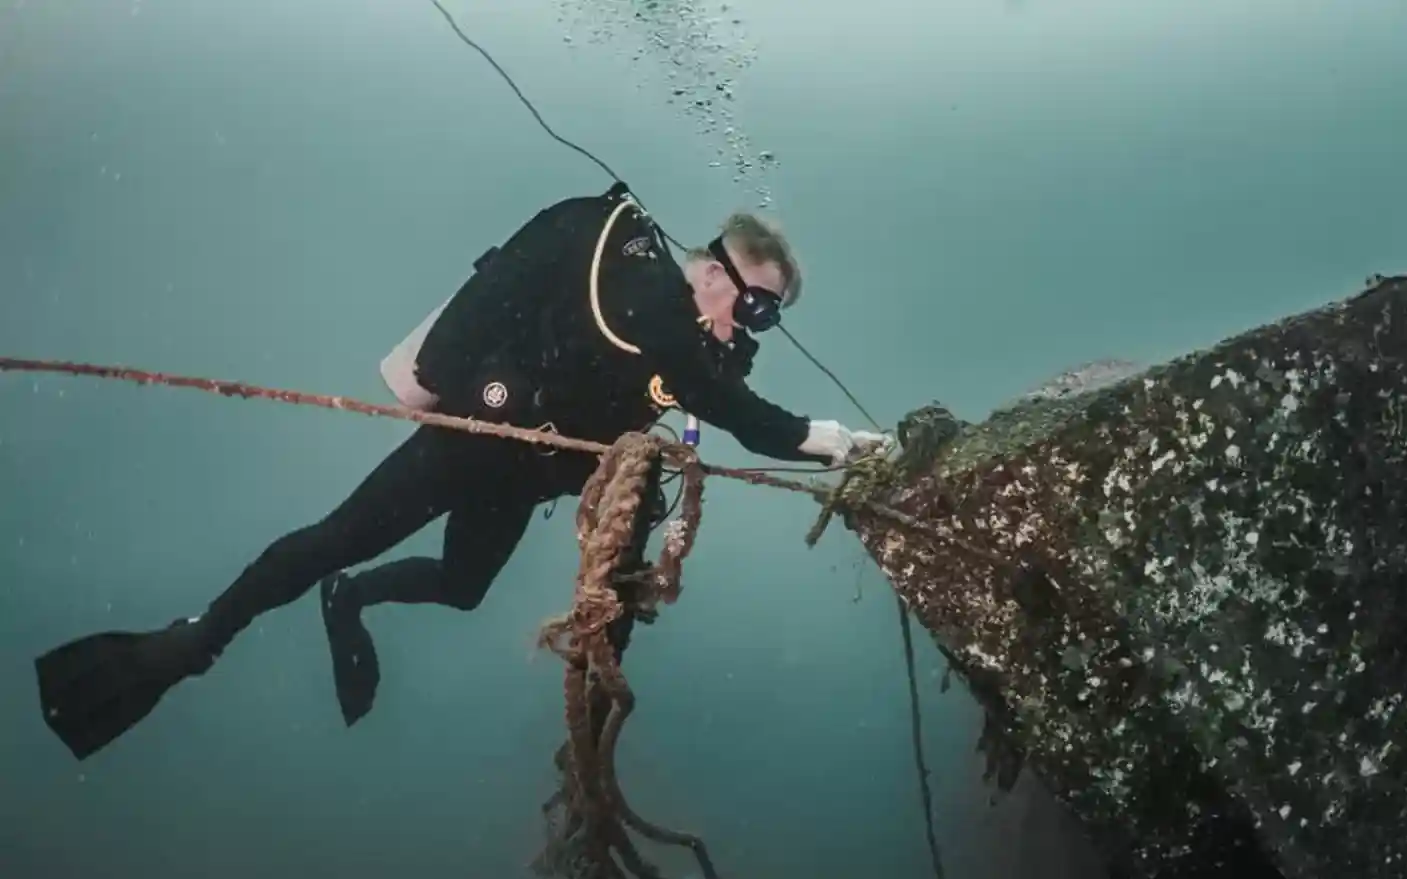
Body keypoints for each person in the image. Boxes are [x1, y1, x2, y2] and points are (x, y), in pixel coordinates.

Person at [34, 182, 891, 761]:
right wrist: (850, 444)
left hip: (521, 476)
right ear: (712, 273)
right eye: (754, 306)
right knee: (333, 537)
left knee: (463, 586)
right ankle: (195, 640)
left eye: (768, 318)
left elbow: (707, 405)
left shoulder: (684, 346)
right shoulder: (647, 302)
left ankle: (353, 600)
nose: (751, 327)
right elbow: (755, 426)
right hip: (470, 440)